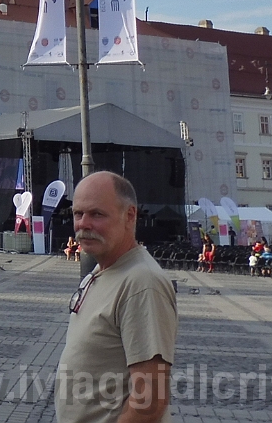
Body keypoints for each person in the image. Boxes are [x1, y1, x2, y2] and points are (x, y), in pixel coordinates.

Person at [54, 172, 175, 423]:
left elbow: (150, 400)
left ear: (129, 215)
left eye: (97, 214)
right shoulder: (104, 269)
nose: (83, 224)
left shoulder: (142, 282)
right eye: (78, 213)